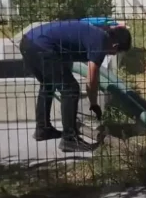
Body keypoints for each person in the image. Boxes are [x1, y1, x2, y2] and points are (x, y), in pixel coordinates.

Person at [19, 19, 132, 152]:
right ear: (115, 45)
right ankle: (69, 139)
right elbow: (91, 80)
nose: (112, 54)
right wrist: (94, 103)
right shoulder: (101, 42)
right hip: (42, 46)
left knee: (48, 84)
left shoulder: (102, 31)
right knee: (70, 89)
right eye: (117, 52)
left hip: (28, 42)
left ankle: (43, 129)